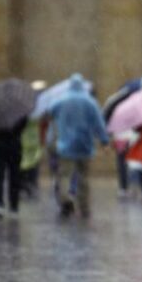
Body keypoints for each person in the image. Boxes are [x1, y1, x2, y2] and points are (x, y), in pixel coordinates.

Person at [49, 74, 109, 218]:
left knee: (64, 175)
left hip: (66, 145)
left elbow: (51, 111)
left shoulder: (61, 101)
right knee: (83, 177)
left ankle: (65, 200)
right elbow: (98, 123)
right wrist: (104, 141)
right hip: (84, 145)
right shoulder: (90, 102)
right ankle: (84, 206)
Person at [0, 117, 27, 218]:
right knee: (14, 176)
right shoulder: (17, 111)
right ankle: (14, 206)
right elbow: (24, 123)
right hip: (14, 144)